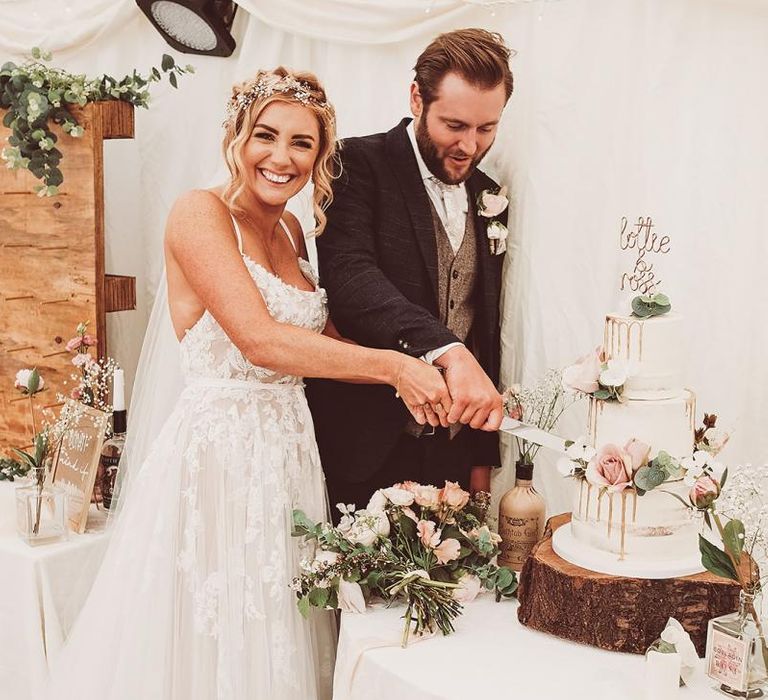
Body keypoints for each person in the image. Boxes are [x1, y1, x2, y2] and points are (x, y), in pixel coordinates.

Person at [45, 67, 450, 700]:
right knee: (219, 626)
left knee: (279, 621)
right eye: (266, 135)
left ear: (320, 157)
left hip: (289, 453)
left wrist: (425, 368)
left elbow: (324, 344)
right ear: (236, 135)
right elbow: (258, 339)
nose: (281, 157)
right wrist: (396, 368)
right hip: (218, 459)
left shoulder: (294, 230)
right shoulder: (198, 213)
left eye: (302, 143)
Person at [306, 29, 515, 516]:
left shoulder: (490, 193)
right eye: (455, 124)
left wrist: (482, 455)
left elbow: (485, 325)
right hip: (362, 446)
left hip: (451, 456)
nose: (469, 145)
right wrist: (447, 351)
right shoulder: (354, 163)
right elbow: (351, 278)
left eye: (487, 128)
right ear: (417, 98)